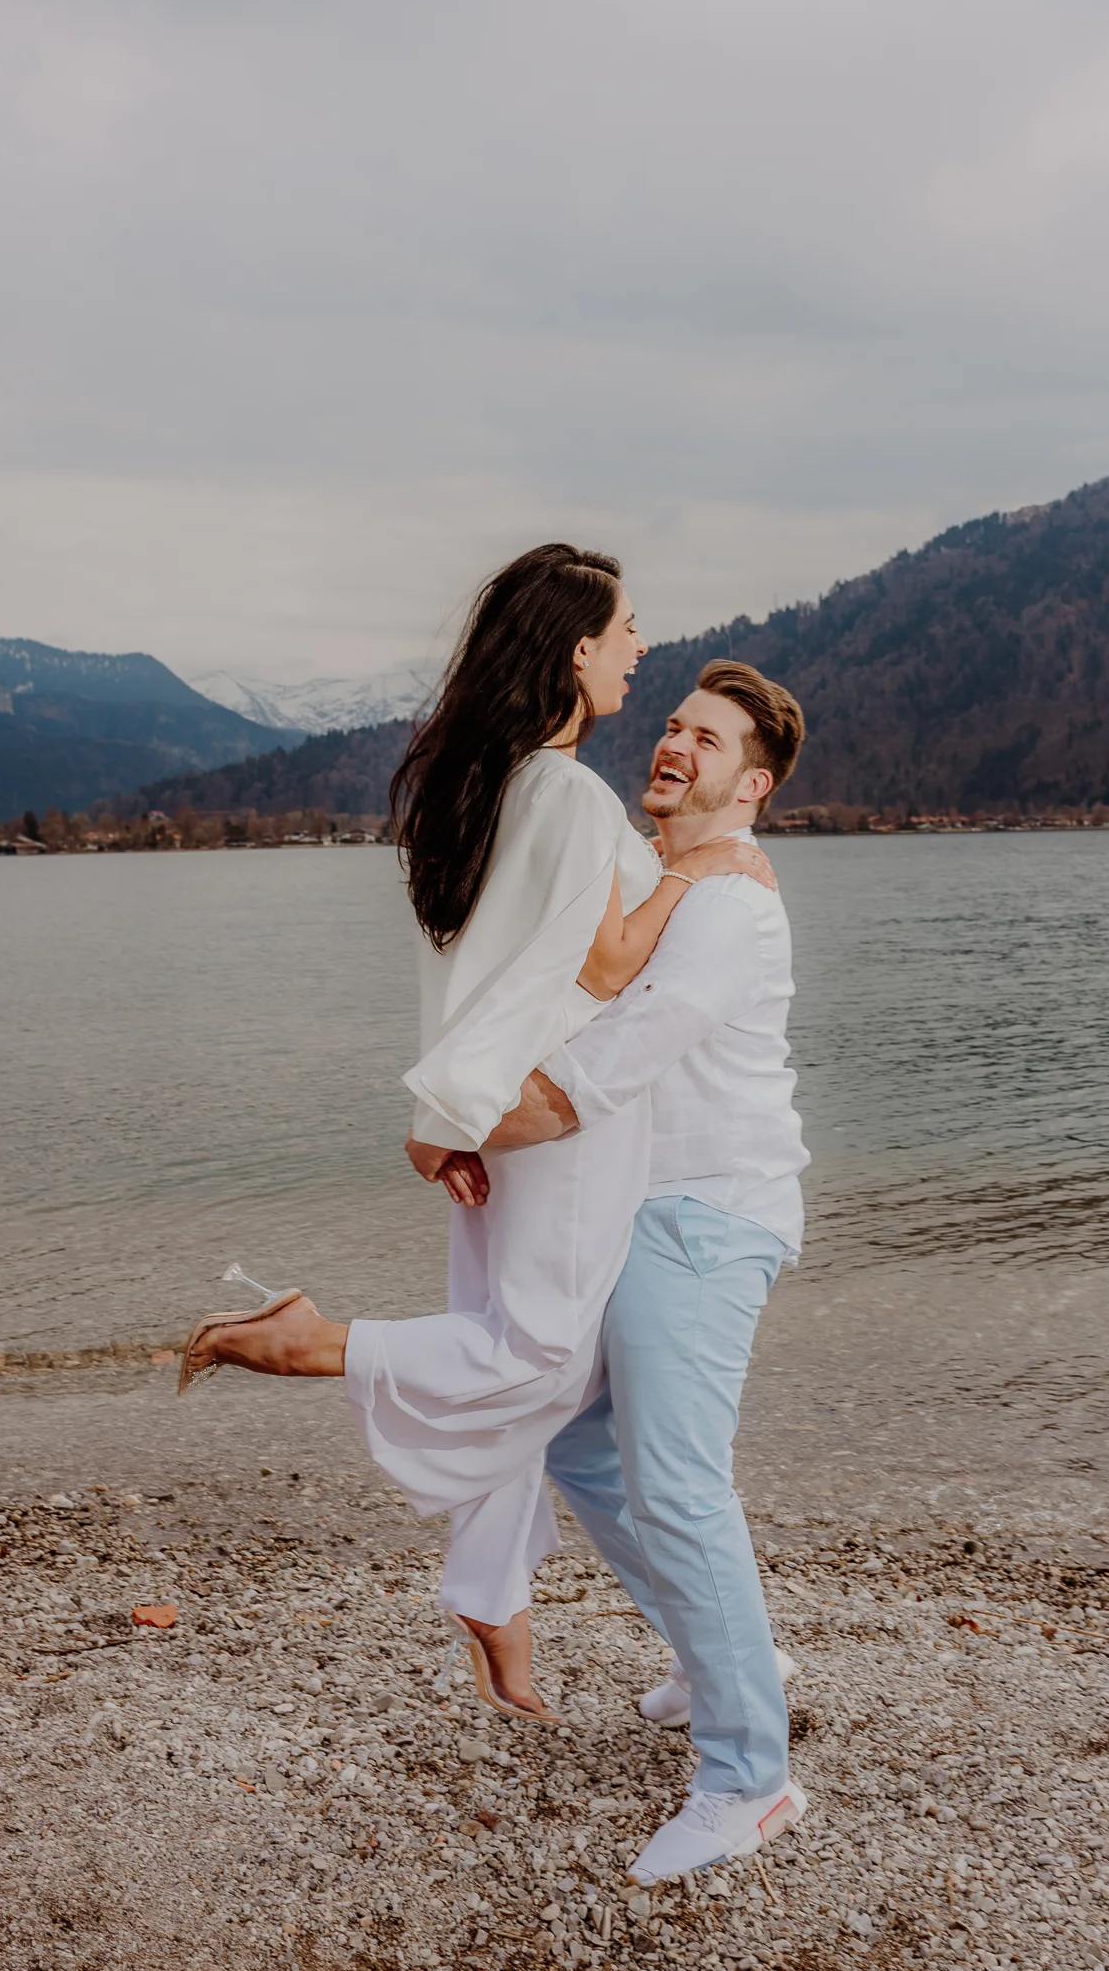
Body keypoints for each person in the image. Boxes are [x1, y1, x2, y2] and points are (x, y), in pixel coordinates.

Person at [177, 546, 769, 1720]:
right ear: (577, 649)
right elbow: (603, 963)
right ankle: (312, 1340)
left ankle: (495, 1605)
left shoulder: (484, 784)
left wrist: (445, 1114)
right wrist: (699, 872)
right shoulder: (563, 791)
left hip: (491, 1115)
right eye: (628, 629)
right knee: (540, 1359)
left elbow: (480, 969)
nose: (640, 649)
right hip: (553, 1123)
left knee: (532, 1373)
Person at [464, 660, 811, 1883]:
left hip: (707, 1221)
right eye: (672, 724)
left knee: (675, 1483)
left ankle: (748, 1778)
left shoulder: (731, 905)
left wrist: (457, 1123)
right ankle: (720, 1659)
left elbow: (613, 1059)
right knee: (579, 1442)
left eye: (707, 741)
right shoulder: (674, 884)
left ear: (753, 784)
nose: (673, 745)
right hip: (646, 1216)